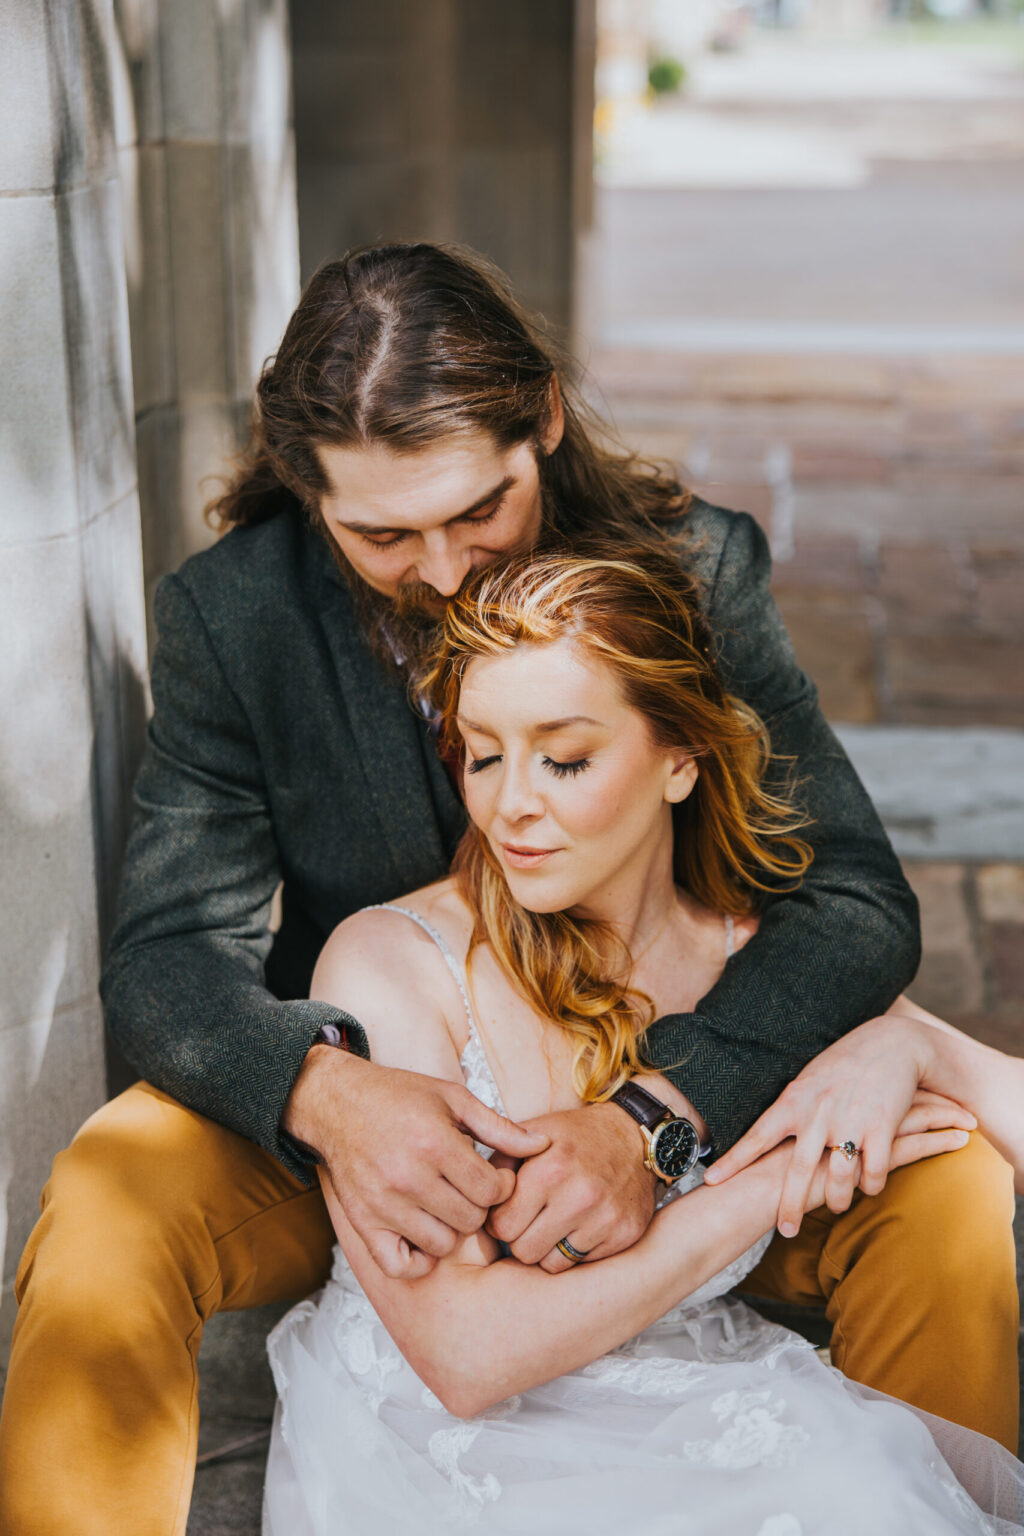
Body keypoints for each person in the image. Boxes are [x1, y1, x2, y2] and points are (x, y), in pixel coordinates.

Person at [0, 243, 1017, 1536]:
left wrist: (657, 1119)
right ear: (308, 491)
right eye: (380, 533)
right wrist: (331, 1092)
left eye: (479, 511)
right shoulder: (236, 618)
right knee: (109, 1196)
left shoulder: (692, 571)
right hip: (390, 1123)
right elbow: (165, 961)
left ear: (542, 417)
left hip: (682, 1088)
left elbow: (856, 900)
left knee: (950, 1196)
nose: (442, 570)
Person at [263, 545, 1024, 1535]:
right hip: (432, 1460)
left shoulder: (755, 966)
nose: (510, 804)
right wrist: (749, 1188)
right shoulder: (392, 965)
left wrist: (913, 1052)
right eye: (482, 754)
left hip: (687, 1402)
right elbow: (462, 1359)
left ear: (679, 758)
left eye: (565, 758)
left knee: (875, 1494)